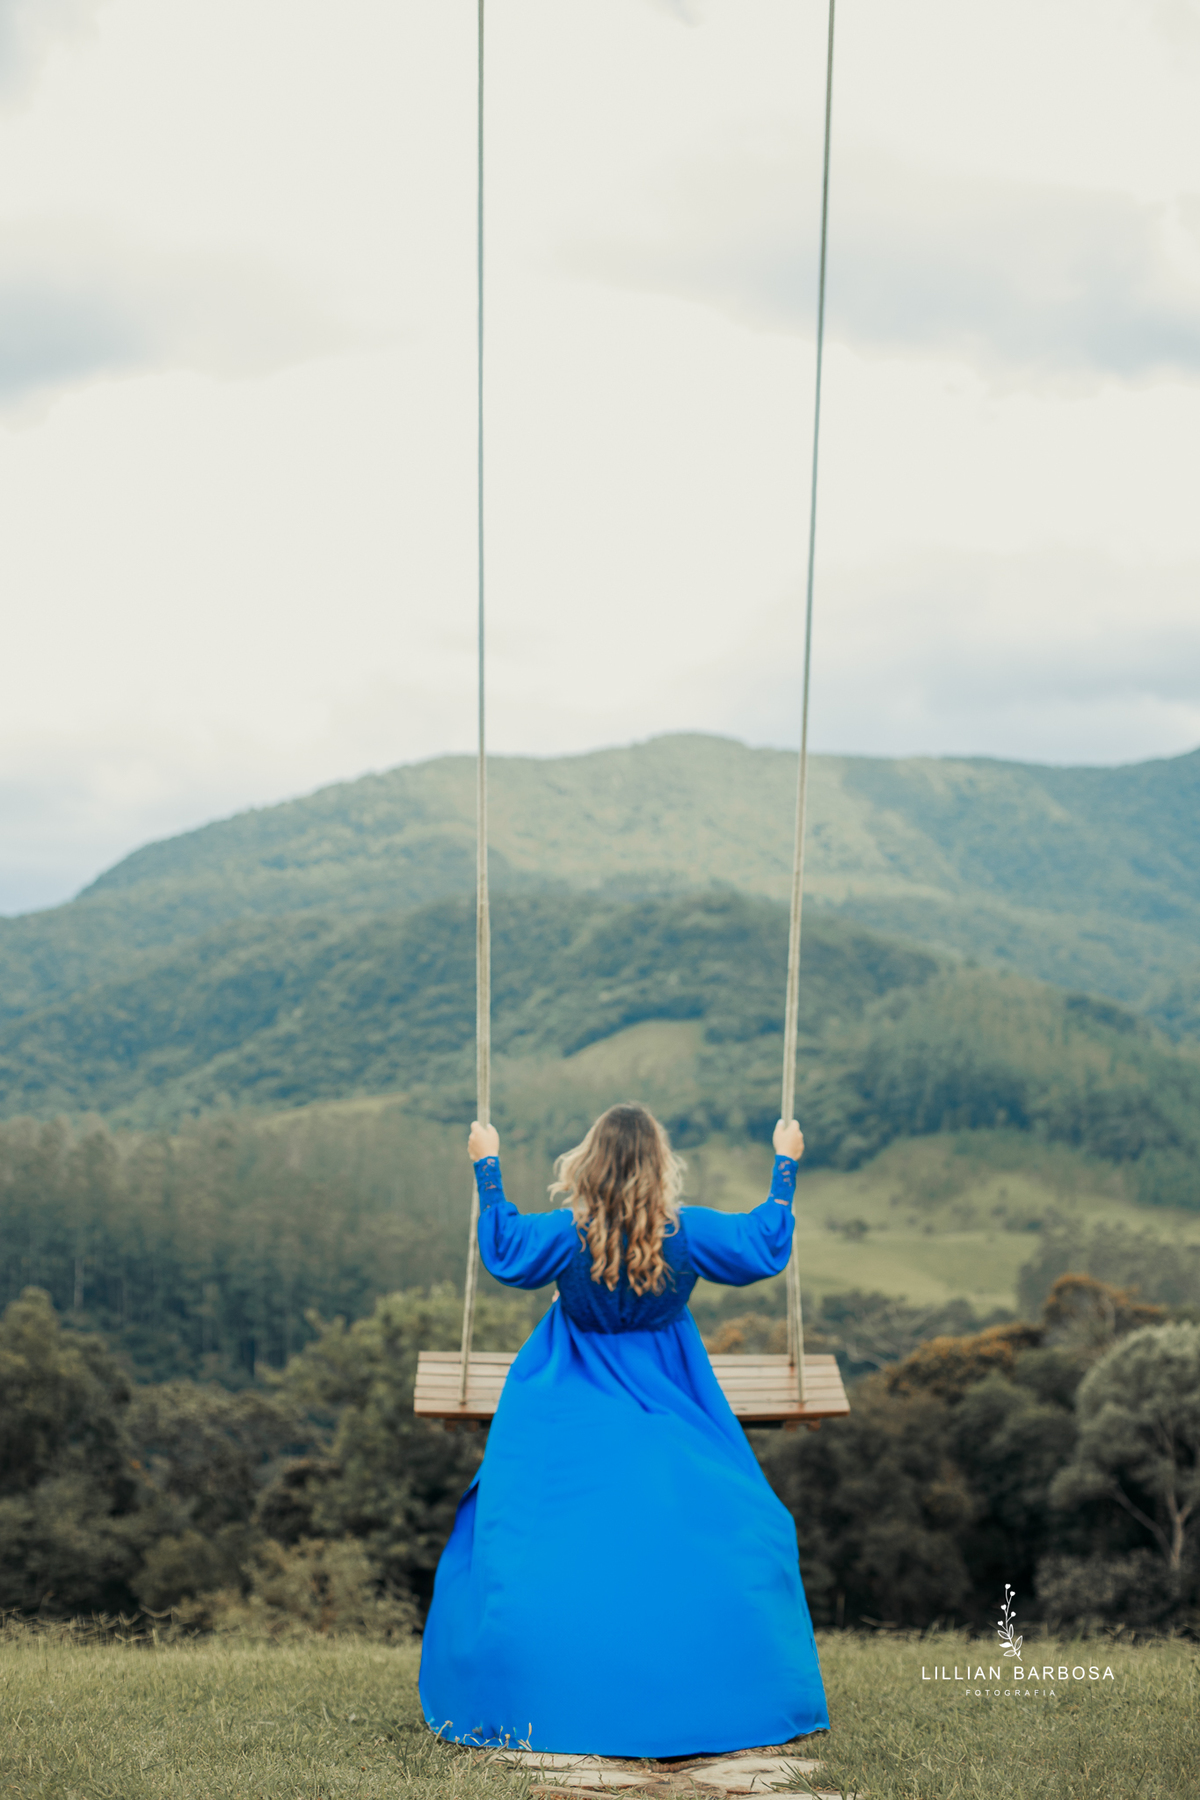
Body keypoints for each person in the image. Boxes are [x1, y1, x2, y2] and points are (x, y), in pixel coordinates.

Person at [418, 1102, 829, 1757]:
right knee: (734, 1527)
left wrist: (486, 1164)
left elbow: (504, 1250)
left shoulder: (564, 1234)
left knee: (530, 1529)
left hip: (570, 1387)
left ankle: (534, 1689)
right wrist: (786, 1163)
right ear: (660, 1166)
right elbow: (765, 1243)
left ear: (589, 1162)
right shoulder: (685, 1234)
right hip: (669, 1395)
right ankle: (715, 1686)